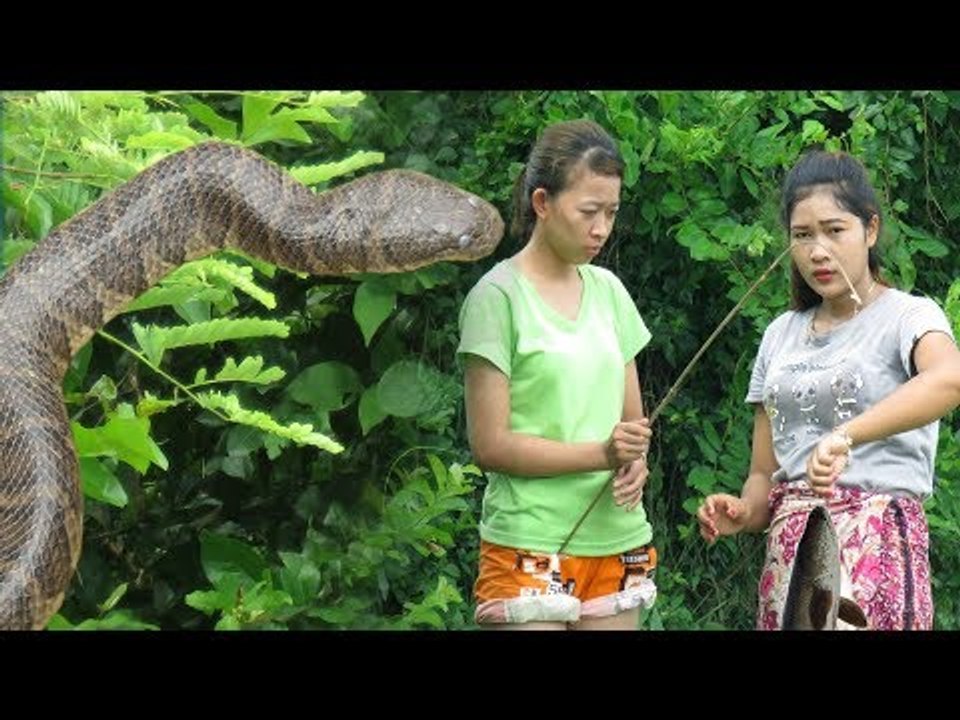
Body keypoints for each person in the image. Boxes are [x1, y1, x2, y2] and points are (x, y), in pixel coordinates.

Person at [697, 149, 960, 630]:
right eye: (802, 235)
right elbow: (764, 473)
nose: (818, 251)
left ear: (870, 229)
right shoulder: (779, 334)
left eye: (834, 230)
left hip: (878, 551)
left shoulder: (908, 316)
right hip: (791, 562)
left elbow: (949, 379)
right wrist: (744, 510)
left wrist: (846, 436)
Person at [456, 119, 657, 630]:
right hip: (527, 542)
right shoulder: (496, 298)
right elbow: (490, 445)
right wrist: (601, 455)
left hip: (618, 540)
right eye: (589, 211)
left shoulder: (610, 292)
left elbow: (631, 426)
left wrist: (635, 460)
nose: (601, 228)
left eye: (612, 212)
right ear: (542, 203)